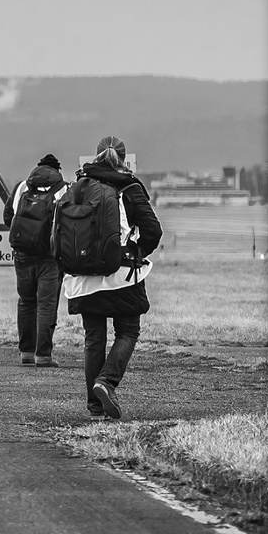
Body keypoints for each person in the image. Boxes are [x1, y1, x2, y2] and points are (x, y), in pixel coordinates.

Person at [58, 137, 162, 420]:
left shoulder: (77, 186)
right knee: (128, 331)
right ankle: (107, 382)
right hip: (122, 274)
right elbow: (153, 230)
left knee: (94, 338)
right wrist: (137, 251)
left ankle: (94, 408)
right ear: (124, 160)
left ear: (95, 157)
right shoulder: (128, 187)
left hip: (81, 278)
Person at [4, 152, 67, 367]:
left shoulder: (22, 187)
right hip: (49, 257)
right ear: (57, 171)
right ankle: (43, 356)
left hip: (22, 254)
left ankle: (26, 353)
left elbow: (7, 218)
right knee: (46, 304)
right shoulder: (63, 189)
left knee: (26, 301)